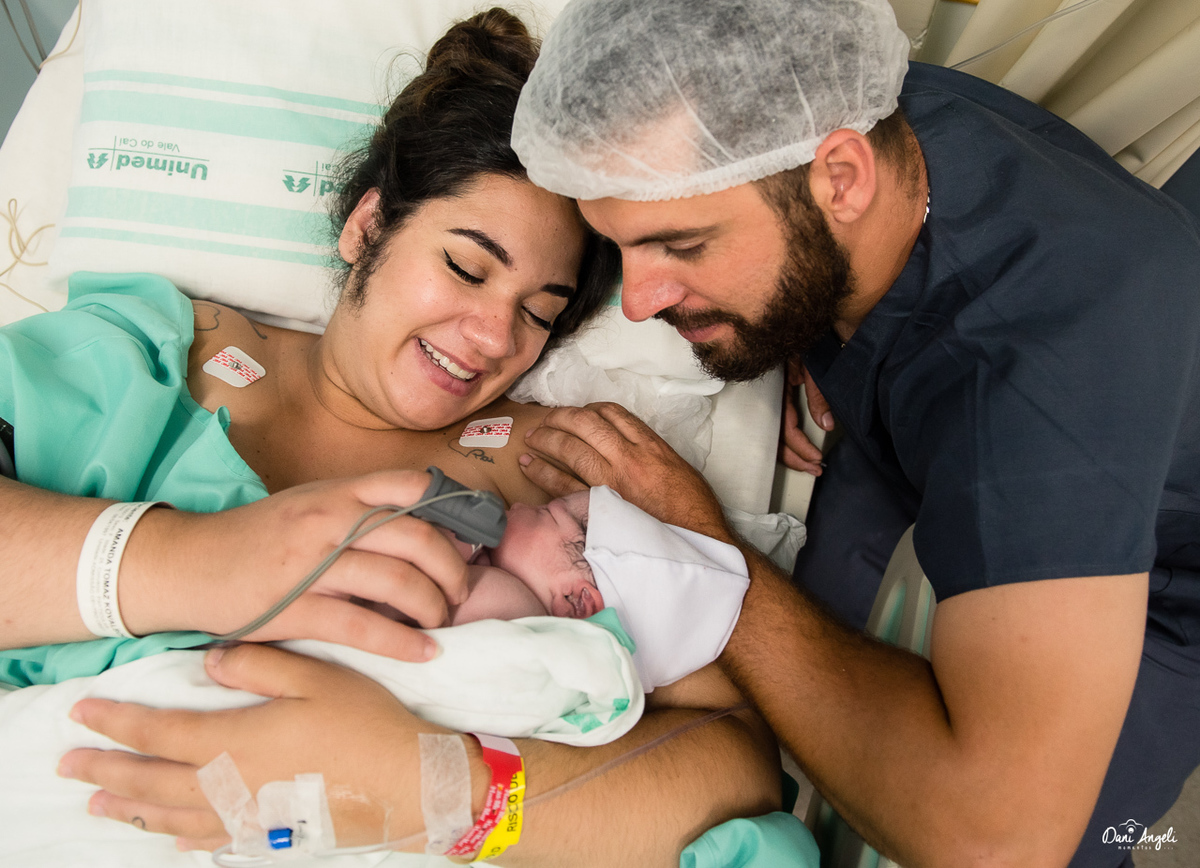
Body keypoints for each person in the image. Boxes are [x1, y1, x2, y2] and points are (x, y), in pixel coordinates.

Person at [3, 9, 785, 865]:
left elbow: (732, 766)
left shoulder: (551, 473)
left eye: (537, 313)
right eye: (466, 267)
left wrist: (441, 792)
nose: (492, 336)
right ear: (368, 227)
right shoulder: (149, 357)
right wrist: (193, 562)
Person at [502, 1, 1200, 867]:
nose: (638, 302)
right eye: (620, 246)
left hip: (1162, 587)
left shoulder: (1044, 383)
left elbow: (998, 839)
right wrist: (793, 323)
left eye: (683, 245)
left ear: (841, 178)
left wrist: (704, 553)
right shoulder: (837, 106)